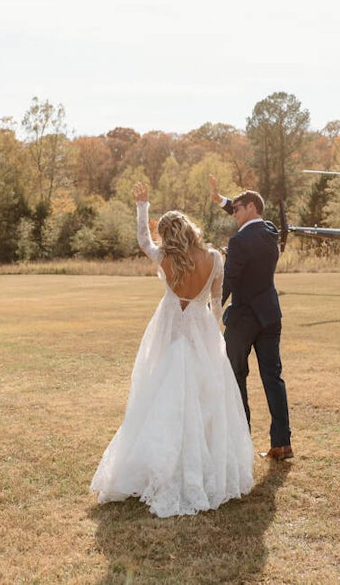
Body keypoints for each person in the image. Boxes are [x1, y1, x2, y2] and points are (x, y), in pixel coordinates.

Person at [90, 182, 255, 517]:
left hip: (170, 328)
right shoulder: (213, 259)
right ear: (191, 229)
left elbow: (142, 241)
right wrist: (212, 332)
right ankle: (202, 462)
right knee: (205, 396)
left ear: (168, 235)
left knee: (164, 393)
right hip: (201, 327)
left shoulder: (164, 257)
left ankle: (165, 463)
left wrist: (142, 205)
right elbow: (215, 300)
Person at [210, 176, 293, 461]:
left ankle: (241, 442)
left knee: (235, 377)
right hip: (270, 315)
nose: (233, 214)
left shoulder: (239, 241)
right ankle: (282, 444)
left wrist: (210, 312)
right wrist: (222, 200)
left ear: (252, 208)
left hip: (244, 319)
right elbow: (252, 224)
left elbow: (229, 280)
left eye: (236, 209)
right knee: (273, 378)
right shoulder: (270, 232)